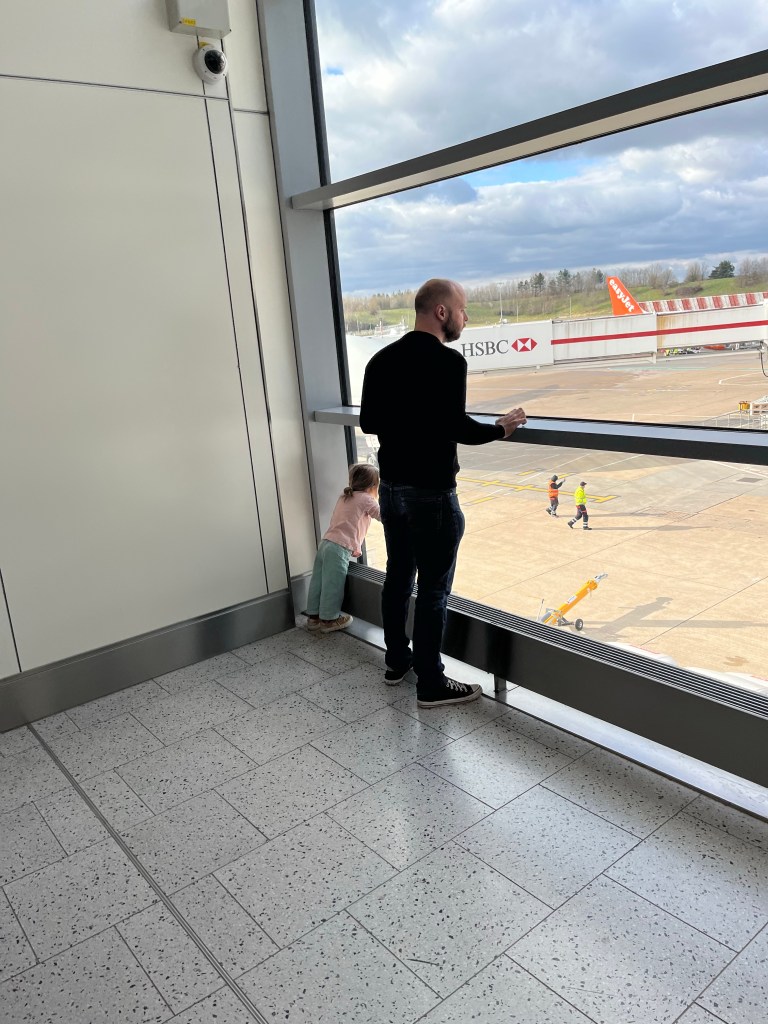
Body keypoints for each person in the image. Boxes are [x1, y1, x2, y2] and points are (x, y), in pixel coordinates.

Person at [359, 278, 526, 708]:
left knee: (398, 577)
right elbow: (458, 428)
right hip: (431, 494)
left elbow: (369, 422)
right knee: (434, 590)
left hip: (392, 489)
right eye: (463, 309)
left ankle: (398, 660)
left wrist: (410, 421)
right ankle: (431, 683)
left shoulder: (381, 360)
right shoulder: (448, 363)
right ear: (441, 312)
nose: (466, 317)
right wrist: (501, 428)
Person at [305, 464, 381, 633]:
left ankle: (313, 617)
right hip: (339, 548)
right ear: (373, 486)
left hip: (325, 543)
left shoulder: (344, 496)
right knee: (333, 584)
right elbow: (382, 515)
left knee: (318, 581)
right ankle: (329, 620)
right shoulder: (366, 499)